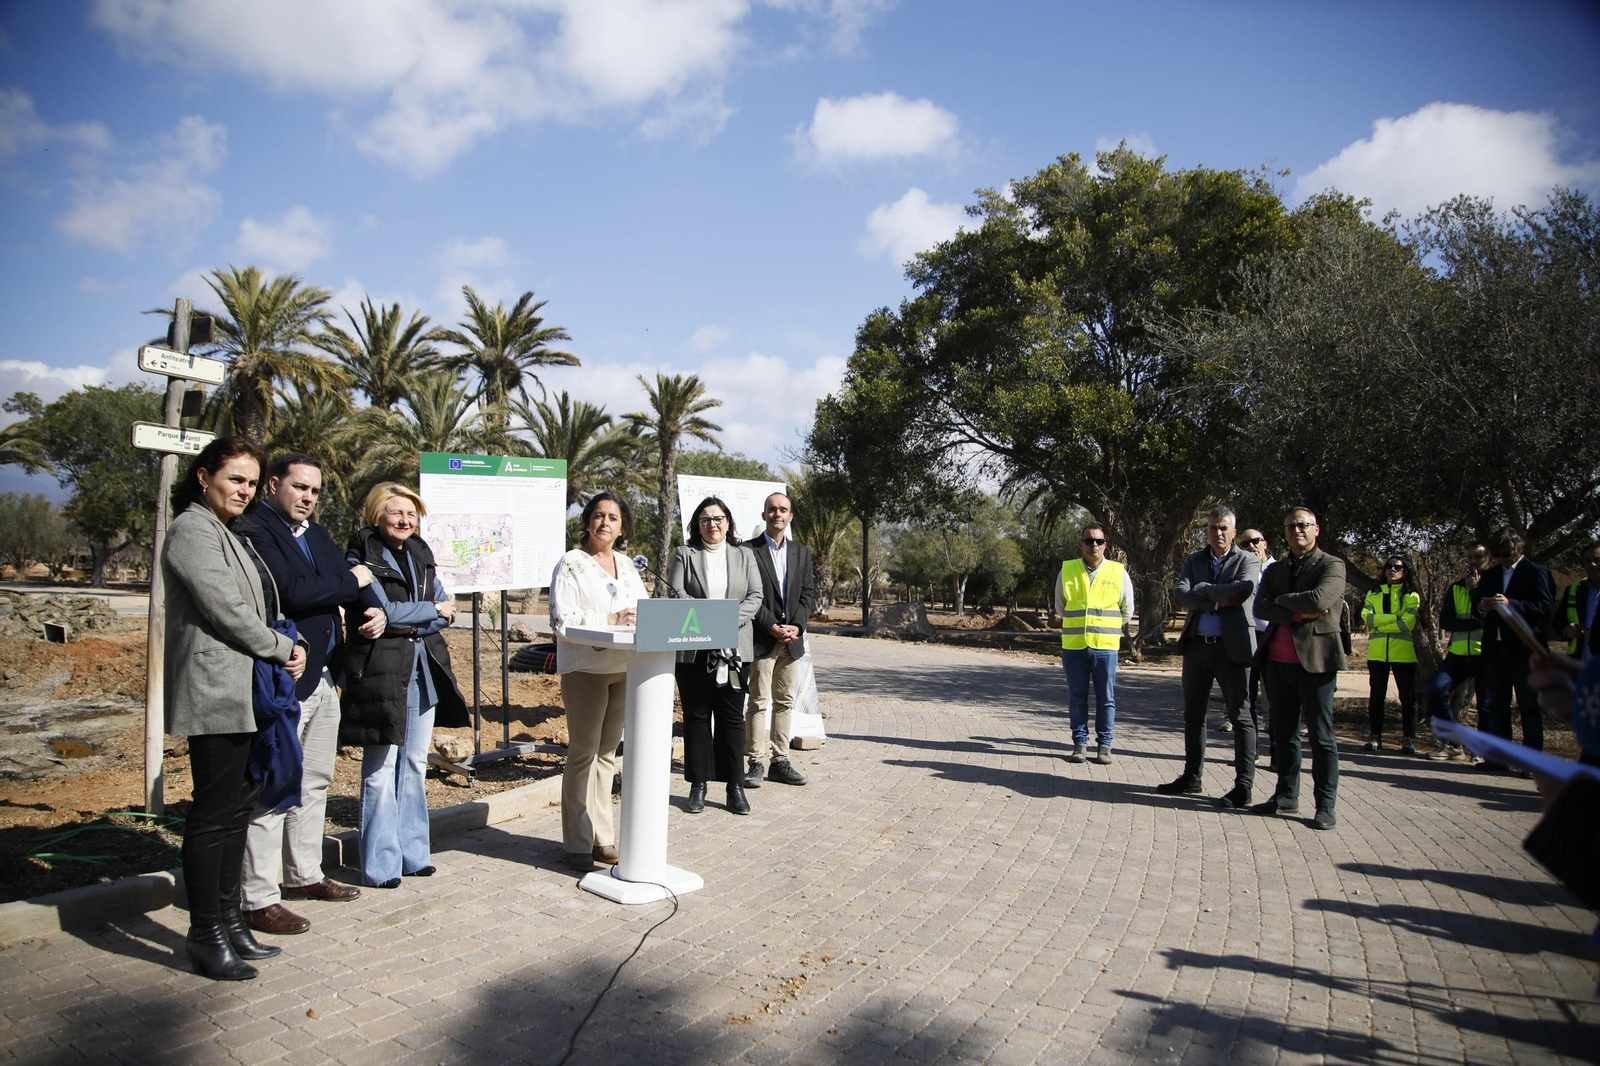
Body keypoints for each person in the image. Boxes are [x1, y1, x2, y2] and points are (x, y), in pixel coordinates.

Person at [162, 436, 306, 980]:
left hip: (247, 693)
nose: (244, 490)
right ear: (204, 477)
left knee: (238, 812)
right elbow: (226, 609)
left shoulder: (227, 531)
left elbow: (261, 607)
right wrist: (279, 647)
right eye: (235, 479)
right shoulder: (192, 530)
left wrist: (292, 644)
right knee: (214, 814)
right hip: (215, 692)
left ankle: (229, 920)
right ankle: (205, 935)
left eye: (251, 481)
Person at [232, 456, 375, 935]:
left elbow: (352, 583)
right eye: (300, 487)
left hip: (324, 677)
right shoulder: (257, 530)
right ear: (273, 485)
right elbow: (294, 591)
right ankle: (257, 897)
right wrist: (351, 581)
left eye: (315, 490)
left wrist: (369, 607)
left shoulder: (314, 534)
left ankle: (303, 876)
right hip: (284, 679)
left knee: (314, 781)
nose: (309, 497)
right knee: (274, 786)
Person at [340, 483, 468, 888]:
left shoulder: (421, 553)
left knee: (413, 764)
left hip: (422, 668)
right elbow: (385, 610)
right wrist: (428, 611)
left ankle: (414, 854)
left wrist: (422, 616)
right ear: (377, 514)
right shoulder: (362, 554)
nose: (404, 520)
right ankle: (380, 864)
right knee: (380, 769)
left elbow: (447, 611)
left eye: (411, 514)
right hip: (381, 672)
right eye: (395, 512)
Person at [548, 491, 649, 870]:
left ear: (623, 527)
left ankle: (602, 838)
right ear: (588, 521)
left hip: (624, 667)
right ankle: (577, 840)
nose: (605, 523)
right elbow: (563, 619)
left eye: (613, 518)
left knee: (607, 755)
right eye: (599, 515)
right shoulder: (571, 564)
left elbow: (641, 610)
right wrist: (610, 620)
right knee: (583, 754)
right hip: (585, 669)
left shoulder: (627, 565)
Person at [1252, 507, 1347, 830]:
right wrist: (1293, 611)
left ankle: (1325, 805)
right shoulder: (1276, 570)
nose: (1297, 531)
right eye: (1291, 526)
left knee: (1321, 737)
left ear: (1316, 529)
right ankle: (1286, 795)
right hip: (1277, 663)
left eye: (1303, 525)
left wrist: (1282, 602)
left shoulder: (1332, 564)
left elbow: (1320, 600)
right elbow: (1260, 606)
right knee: (1284, 734)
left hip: (1316, 663)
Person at [668, 496, 764, 815]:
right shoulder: (684, 554)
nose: (713, 524)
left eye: (719, 518)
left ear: (728, 523)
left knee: (731, 719)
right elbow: (675, 592)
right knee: (696, 717)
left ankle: (734, 786)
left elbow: (755, 596)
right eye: (706, 519)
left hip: (735, 648)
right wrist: (706, 622)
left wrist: (725, 621)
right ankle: (698, 785)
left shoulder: (744, 555)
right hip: (693, 648)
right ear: (698, 524)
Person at [1165, 508, 1261, 808]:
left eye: (1223, 528)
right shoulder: (1195, 559)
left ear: (1234, 532)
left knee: (1241, 716)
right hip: (1197, 647)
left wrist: (1204, 591)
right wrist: (1216, 601)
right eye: (1211, 528)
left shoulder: (1248, 559)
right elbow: (1181, 593)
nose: (1217, 533)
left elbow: (1241, 592)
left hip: (1232, 649)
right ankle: (1191, 777)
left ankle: (1243, 786)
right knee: (1193, 715)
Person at [744, 492, 816, 789]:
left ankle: (780, 761)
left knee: (784, 702)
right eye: (772, 509)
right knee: (758, 702)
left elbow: (807, 594)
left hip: (792, 641)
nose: (777, 514)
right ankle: (755, 762)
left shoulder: (802, 552)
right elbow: (747, 595)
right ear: (764, 515)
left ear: (790, 516)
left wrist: (796, 626)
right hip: (762, 638)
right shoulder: (749, 551)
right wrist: (772, 625)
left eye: (783, 510)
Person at [1474, 528, 1557, 766]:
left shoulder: (1536, 572)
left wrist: (1513, 603)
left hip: (1525, 651)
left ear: (1518, 549)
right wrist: (1483, 608)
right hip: (1496, 649)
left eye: (1505, 553)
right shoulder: (1490, 576)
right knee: (1497, 706)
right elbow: (1476, 607)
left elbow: (1545, 607)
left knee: (1528, 706)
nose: (1502, 559)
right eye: (1497, 554)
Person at [1054, 522, 1134, 765]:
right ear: (1081, 544)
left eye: (1099, 541)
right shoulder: (1067, 570)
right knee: (1077, 697)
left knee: (1106, 698)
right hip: (1074, 646)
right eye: (1089, 541)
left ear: (1105, 545)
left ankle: (1105, 746)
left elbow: (1127, 610)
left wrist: (1108, 630)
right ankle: (1079, 744)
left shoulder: (1118, 571)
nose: (1094, 545)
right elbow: (1060, 606)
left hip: (1105, 647)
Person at [1428, 542, 1491, 760]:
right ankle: (1455, 744)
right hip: (1458, 653)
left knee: (1485, 706)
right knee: (1436, 690)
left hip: (1485, 653)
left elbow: (1489, 620)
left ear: (1488, 558)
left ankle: (1482, 753)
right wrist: (1472, 624)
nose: (1473, 562)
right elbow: (1446, 621)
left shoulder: (1493, 585)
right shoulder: (1456, 587)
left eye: (1478, 557)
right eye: (1470, 557)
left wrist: (1475, 592)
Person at [1361, 555, 1421, 754]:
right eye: (1389, 567)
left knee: (1408, 699)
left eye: (1397, 567)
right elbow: (1367, 619)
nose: (1392, 570)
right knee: (1376, 697)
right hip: (1377, 654)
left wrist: (1380, 621)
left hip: (1403, 655)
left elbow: (1408, 624)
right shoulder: (1374, 592)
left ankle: (1408, 739)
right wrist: (1394, 617)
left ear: (1404, 571)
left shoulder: (1411, 595)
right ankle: (1375, 736)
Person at [1241, 528, 1275, 768]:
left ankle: (1277, 750)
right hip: (1248, 636)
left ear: (1265, 543)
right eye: (1245, 544)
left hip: (1272, 637)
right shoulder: (1243, 570)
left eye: (1255, 541)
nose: (1251, 546)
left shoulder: (1278, 570)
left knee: (1274, 699)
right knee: (1247, 697)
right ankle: (1251, 751)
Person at [1558, 542, 1600, 661]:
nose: (1592, 564)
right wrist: (1566, 630)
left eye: (1597, 560)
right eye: (1587, 560)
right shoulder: (1574, 589)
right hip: (1580, 660)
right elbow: (1557, 622)